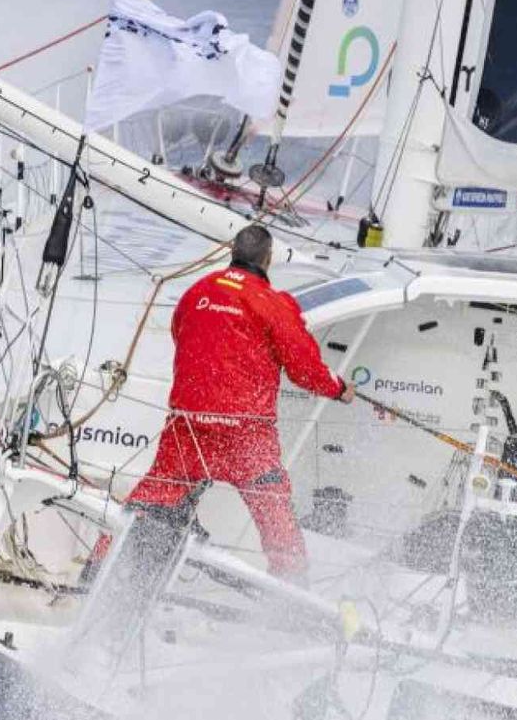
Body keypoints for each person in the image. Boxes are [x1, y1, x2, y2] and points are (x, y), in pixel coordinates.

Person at [124, 224, 354, 582]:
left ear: (232, 251)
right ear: (268, 258)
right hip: (245, 435)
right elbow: (304, 369)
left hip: (188, 427)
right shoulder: (273, 304)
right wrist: (338, 389)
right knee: (277, 522)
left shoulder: (195, 292)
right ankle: (294, 598)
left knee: (150, 499)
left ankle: (101, 572)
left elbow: (181, 335)